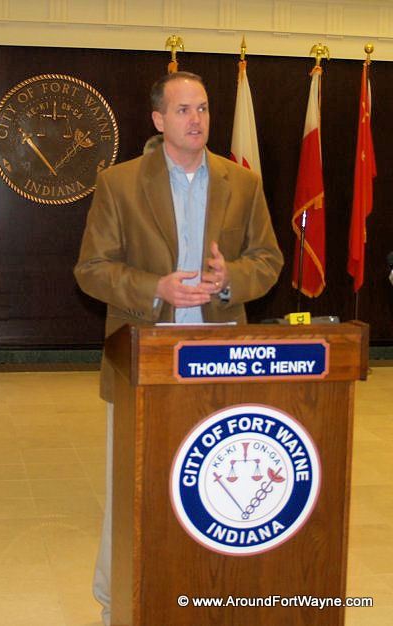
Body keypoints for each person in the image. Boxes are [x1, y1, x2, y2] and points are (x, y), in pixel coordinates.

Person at [73, 72, 283, 624]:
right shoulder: (119, 183)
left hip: (221, 360)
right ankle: (117, 602)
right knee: (132, 489)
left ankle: (208, 593)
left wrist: (230, 278)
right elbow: (91, 269)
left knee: (216, 487)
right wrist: (155, 288)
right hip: (144, 358)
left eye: (204, 109)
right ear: (159, 120)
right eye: (184, 110)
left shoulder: (242, 183)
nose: (197, 120)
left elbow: (268, 260)